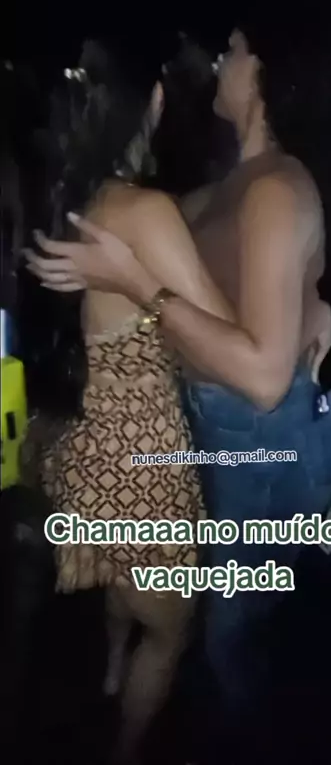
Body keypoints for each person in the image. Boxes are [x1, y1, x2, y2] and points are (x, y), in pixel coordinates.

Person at [25, 25, 331, 739]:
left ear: (264, 74)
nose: (221, 62)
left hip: (259, 443)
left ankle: (243, 733)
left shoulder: (272, 189)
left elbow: (263, 377)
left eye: (234, 50)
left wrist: (136, 282)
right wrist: (309, 306)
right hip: (198, 432)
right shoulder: (227, 184)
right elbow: (235, 287)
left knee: (232, 627)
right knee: (198, 618)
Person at [23, 44, 234, 765]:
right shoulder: (146, 210)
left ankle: (113, 669)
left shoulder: (79, 190)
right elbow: (220, 344)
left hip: (91, 450)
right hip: (145, 462)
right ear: (155, 101)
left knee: (124, 579)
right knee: (171, 631)